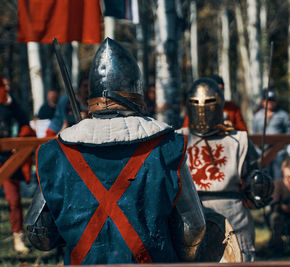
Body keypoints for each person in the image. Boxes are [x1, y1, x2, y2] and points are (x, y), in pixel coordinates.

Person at [26, 38, 206, 265]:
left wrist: (73, 232)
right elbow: (193, 227)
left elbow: (38, 232)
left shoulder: (57, 151)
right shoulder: (167, 146)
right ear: (135, 93)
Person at [178, 78, 273, 262]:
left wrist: (258, 185)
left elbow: (254, 175)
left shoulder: (238, 139)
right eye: (196, 103)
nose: (202, 109)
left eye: (209, 102)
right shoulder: (178, 138)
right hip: (188, 211)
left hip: (232, 212)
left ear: (220, 105)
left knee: (239, 256)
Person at [0, 76, 35, 254]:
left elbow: (26, 127)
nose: (5, 88)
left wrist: (20, 142)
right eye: (2, 85)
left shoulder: (15, 106)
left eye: (6, 85)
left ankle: (18, 237)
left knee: (14, 201)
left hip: (10, 160)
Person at [252, 89, 290, 180]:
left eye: (272, 100)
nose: (270, 103)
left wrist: (285, 144)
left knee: (278, 176)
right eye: (268, 100)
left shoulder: (283, 115)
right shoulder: (257, 116)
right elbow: (254, 131)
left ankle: (277, 193)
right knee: (263, 177)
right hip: (262, 152)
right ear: (263, 102)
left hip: (278, 151)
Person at [182, 74, 248, 132]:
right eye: (217, 90)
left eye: (221, 89)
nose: (220, 93)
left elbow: (244, 131)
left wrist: (231, 126)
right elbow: (186, 128)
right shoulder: (197, 108)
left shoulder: (232, 108)